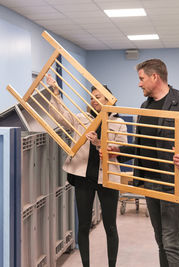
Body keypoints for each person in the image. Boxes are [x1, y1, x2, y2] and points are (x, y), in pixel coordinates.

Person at [103, 59, 179, 267]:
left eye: (141, 78)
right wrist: (118, 152)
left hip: (173, 180)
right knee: (160, 240)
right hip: (150, 181)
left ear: (155, 77)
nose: (139, 84)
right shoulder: (145, 107)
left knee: (171, 240)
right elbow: (141, 145)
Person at [46, 73, 127, 267]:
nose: (93, 100)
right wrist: (55, 92)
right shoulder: (81, 118)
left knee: (110, 226)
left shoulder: (119, 123)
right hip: (83, 178)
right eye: (91, 97)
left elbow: (122, 152)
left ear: (108, 99)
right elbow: (59, 116)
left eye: (98, 97)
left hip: (107, 179)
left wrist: (100, 144)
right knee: (83, 226)